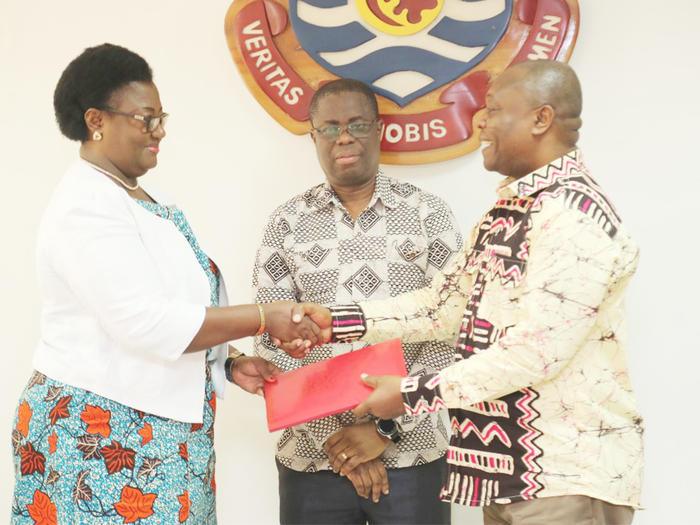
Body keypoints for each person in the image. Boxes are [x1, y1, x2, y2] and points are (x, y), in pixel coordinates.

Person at [292, 61, 644, 525]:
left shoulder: (571, 214)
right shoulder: (510, 210)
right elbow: (440, 307)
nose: (481, 121)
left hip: (565, 476)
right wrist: (336, 321)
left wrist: (412, 394)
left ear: (541, 119)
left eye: (495, 110)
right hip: (509, 478)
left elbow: (535, 353)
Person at [10, 43, 320, 524]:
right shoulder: (85, 205)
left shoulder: (144, 197)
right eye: (145, 118)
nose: (160, 131)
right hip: (99, 438)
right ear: (97, 120)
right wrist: (263, 317)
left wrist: (228, 361)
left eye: (161, 117)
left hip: (155, 432)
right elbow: (145, 322)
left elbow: (173, 304)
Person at [252, 78, 462, 524]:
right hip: (311, 460)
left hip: (413, 456)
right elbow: (271, 341)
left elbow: (453, 330)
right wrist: (341, 439)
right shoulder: (286, 223)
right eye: (328, 127)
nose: (343, 136)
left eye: (356, 123)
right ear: (313, 137)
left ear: (379, 129)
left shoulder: (429, 215)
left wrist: (385, 430)